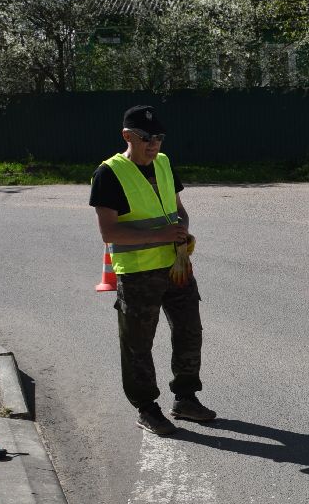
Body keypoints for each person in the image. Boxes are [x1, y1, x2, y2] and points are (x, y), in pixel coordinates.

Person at [89, 104, 215, 437]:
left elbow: (178, 210)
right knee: (138, 345)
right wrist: (161, 236)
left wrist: (183, 231)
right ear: (127, 135)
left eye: (158, 137)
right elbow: (109, 232)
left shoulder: (163, 163)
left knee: (189, 331)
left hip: (177, 267)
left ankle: (185, 398)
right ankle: (147, 408)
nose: (153, 144)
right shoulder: (109, 173)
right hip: (138, 274)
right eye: (145, 138)